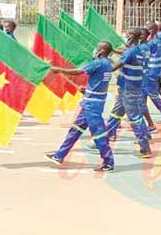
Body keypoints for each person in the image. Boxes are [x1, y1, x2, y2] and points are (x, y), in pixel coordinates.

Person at [46, 41, 116, 172]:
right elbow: (98, 82)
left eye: (98, 48)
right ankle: (59, 155)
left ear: (102, 51)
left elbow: (78, 71)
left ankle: (108, 162)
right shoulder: (107, 63)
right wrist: (86, 90)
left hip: (92, 105)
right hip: (89, 101)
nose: (95, 50)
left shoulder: (99, 63)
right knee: (75, 130)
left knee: (99, 134)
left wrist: (59, 69)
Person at [103, 28, 153, 157]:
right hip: (128, 86)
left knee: (134, 118)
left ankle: (145, 147)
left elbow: (117, 65)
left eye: (127, 36)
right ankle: (106, 137)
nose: (125, 38)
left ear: (131, 37)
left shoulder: (131, 51)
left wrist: (103, 65)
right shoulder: (138, 50)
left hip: (129, 88)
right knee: (116, 113)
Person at [143, 22, 161, 132]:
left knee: (153, 94)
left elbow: (139, 51)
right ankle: (147, 120)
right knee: (146, 93)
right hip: (155, 70)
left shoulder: (152, 43)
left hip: (151, 71)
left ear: (151, 31)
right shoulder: (158, 40)